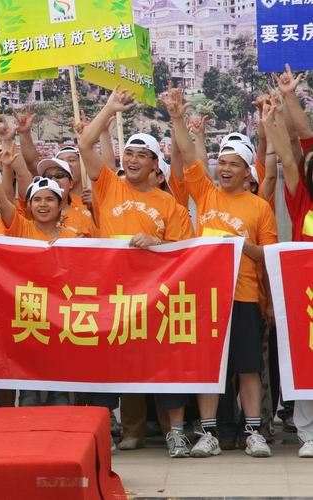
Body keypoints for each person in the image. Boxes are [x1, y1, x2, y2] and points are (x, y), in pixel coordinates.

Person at [165, 84, 278, 458]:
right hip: (206, 298)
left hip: (244, 296)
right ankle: (208, 433)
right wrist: (177, 117)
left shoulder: (260, 208)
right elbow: (187, 154)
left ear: (248, 172)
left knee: (248, 369)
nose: (225, 168)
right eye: (222, 162)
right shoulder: (206, 193)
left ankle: (253, 432)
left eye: (234, 164)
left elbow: (268, 255)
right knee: (208, 367)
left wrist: (240, 245)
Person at [78, 87, 186, 457]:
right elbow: (85, 143)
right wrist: (109, 108)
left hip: (155, 296)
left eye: (143, 155)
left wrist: (157, 243)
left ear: (156, 165)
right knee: (112, 364)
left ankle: (173, 432)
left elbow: (184, 252)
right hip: (111, 293)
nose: (134, 160)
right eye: (130, 154)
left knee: (159, 363)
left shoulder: (170, 205)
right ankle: (127, 431)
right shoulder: (109, 184)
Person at [262, 92, 313, 458]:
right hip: (305, 304)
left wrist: (291, 96)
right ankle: (308, 434)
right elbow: (289, 156)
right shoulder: (301, 202)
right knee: (306, 363)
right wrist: (273, 121)